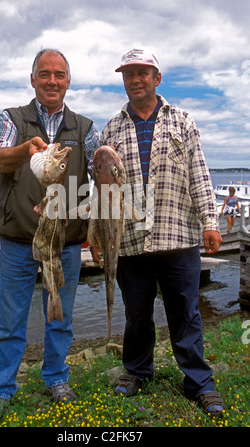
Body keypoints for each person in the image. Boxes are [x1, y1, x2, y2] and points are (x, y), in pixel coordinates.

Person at [100, 48, 225, 417]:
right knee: (136, 315)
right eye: (128, 74)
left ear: (157, 78)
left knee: (186, 314)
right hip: (129, 241)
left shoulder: (182, 121)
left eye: (142, 73)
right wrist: (98, 234)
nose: (135, 80)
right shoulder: (112, 129)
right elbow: (102, 189)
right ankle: (137, 371)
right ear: (123, 81)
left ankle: (200, 382)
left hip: (178, 237)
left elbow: (200, 175)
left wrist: (211, 223)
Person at [0, 49, 99, 424]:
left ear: (68, 81)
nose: (52, 81)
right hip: (18, 242)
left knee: (58, 317)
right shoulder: (13, 118)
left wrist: (103, 214)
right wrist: (23, 150)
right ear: (33, 80)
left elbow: (101, 168)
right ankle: (0, 390)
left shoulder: (85, 127)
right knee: (9, 319)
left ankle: (56, 378)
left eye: (59, 75)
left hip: (65, 243)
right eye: (44, 74)